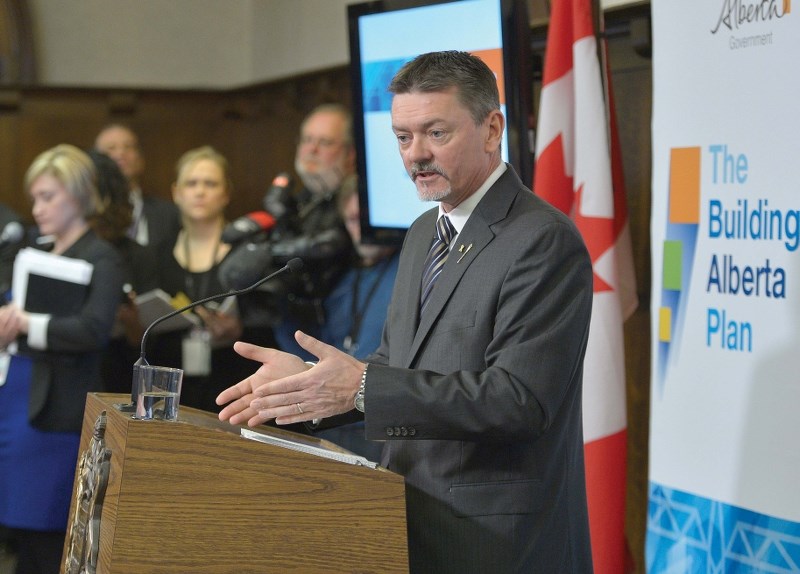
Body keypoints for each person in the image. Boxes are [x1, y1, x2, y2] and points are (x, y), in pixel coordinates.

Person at [216, 51, 595, 572]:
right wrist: (308, 383)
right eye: (402, 137)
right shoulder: (422, 234)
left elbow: (520, 400)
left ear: (492, 130)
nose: (415, 154)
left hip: (497, 543)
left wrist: (360, 386)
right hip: (407, 519)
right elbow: (395, 365)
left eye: (436, 133)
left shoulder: (542, 240)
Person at [0, 144, 124, 574]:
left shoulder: (101, 256)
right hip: (15, 397)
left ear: (80, 194)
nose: (37, 208)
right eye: (34, 198)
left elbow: (93, 329)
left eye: (48, 196)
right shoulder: (36, 250)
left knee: (44, 530)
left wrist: (25, 324)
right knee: (17, 530)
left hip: (55, 411)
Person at [147, 146, 269, 414]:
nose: (200, 191)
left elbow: (272, 326)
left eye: (210, 184)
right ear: (176, 193)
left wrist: (239, 330)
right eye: (191, 183)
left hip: (234, 387)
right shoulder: (157, 255)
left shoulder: (248, 254)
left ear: (226, 194)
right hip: (170, 392)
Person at [312, 177, 399, 460]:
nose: (361, 229)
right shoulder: (338, 278)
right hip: (332, 421)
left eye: (367, 219)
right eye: (351, 220)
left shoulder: (410, 270)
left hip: (384, 425)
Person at [262, 104, 357, 358]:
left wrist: (270, 251)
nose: (311, 150)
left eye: (325, 142)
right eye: (307, 140)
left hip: (341, 329)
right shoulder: (297, 199)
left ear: (350, 154)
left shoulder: (357, 204)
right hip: (292, 328)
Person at [87, 149, 159, 395]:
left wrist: (131, 324)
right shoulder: (49, 249)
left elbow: (151, 349)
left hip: (117, 379)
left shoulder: (138, 256)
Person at [94, 123, 180, 256]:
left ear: (141, 159)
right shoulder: (89, 212)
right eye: (111, 148)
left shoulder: (169, 214)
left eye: (128, 147)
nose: (120, 154)